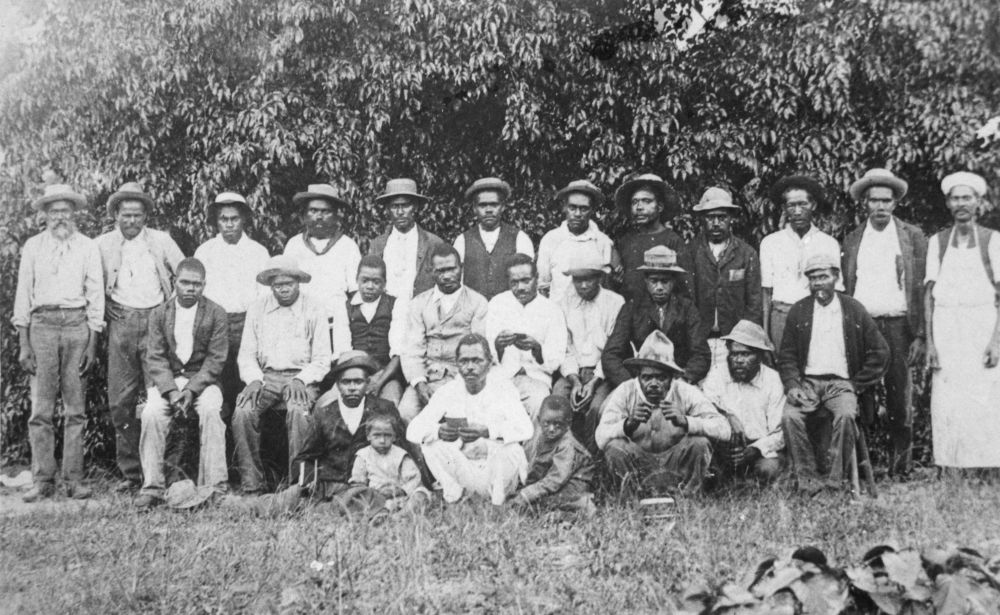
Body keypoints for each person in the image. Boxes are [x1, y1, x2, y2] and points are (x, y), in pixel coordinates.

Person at [14, 184, 104, 502]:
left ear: (74, 214)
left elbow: (96, 297)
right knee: (41, 408)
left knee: (75, 408)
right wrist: (24, 343)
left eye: (65, 211)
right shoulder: (33, 247)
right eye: (54, 212)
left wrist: (93, 342)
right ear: (45, 215)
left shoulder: (87, 247)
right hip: (42, 326)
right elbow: (23, 297)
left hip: (77, 326)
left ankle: (74, 478)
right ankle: (43, 479)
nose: (60, 217)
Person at [97, 181, 185, 492]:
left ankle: (164, 472)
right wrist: (104, 304)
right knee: (121, 401)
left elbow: (186, 273)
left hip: (156, 321)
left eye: (137, 215)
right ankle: (132, 474)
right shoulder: (103, 244)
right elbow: (91, 282)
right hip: (121, 321)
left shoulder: (161, 241)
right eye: (125, 215)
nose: (131, 221)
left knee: (159, 398)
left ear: (146, 216)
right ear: (115, 216)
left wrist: (170, 310)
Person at [779, 253, 889, 493]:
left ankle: (833, 481)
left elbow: (881, 351)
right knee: (790, 417)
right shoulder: (799, 311)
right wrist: (792, 385)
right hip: (808, 384)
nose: (818, 283)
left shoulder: (853, 308)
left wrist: (857, 384)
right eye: (813, 278)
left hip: (841, 384)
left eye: (824, 277)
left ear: (836, 278)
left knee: (847, 415)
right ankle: (809, 481)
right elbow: (786, 354)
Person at [841, 169, 926, 477]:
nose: (880, 207)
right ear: (865, 203)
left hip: (898, 326)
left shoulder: (911, 237)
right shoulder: (853, 239)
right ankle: (864, 464)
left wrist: (921, 335)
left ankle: (901, 464)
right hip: (863, 326)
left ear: (895, 203)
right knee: (862, 392)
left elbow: (922, 289)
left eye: (886, 201)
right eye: (874, 200)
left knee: (899, 395)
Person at [232, 255, 332, 493]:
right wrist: (254, 380)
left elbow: (322, 359)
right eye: (278, 284)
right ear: (270, 285)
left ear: (298, 282)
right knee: (243, 412)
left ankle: (299, 485)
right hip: (266, 376)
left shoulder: (314, 307)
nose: (284, 289)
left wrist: (301, 379)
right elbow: (246, 354)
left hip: (302, 376)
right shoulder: (257, 309)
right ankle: (252, 482)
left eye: (289, 283)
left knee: (299, 412)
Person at [135, 258, 229, 508]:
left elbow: (216, 359)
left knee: (210, 410)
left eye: (196, 284)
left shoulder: (216, 313)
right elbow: (154, 356)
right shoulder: (159, 313)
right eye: (185, 282)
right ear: (175, 282)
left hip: (202, 380)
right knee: (152, 413)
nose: (190, 289)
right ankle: (153, 487)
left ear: (204, 285)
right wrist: (171, 391)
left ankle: (215, 486)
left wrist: (191, 389)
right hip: (169, 381)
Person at [925, 172, 1000, 469]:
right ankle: (951, 464)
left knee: (986, 394)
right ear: (947, 203)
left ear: (978, 202)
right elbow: (928, 295)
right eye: (955, 198)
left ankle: (989, 464)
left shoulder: (993, 241)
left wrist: (996, 341)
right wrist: (930, 343)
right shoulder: (937, 242)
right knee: (948, 395)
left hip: (982, 325)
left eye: (967, 197)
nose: (961, 203)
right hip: (946, 328)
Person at [596, 330, 731, 496]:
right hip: (638, 467)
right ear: (638, 375)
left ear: (672, 377)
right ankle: (631, 500)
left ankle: (687, 498)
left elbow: (724, 429)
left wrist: (687, 422)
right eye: (647, 377)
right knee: (614, 447)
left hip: (676, 466)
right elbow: (600, 436)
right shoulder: (626, 391)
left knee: (700, 444)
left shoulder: (685, 391)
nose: (653, 384)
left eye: (660, 377)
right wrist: (627, 424)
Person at [407, 334, 534, 506]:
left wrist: (488, 431)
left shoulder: (504, 389)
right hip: (464, 468)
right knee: (431, 444)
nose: (470, 367)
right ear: (457, 364)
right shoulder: (448, 391)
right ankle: (456, 498)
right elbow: (413, 430)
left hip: (497, 472)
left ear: (489, 363)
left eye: (477, 361)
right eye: (464, 361)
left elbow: (526, 429)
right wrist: (438, 430)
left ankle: (498, 504)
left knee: (511, 449)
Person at [193, 191, 270, 421]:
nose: (229, 224)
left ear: (243, 219)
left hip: (247, 325)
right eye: (223, 219)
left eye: (234, 218)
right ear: (216, 221)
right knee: (216, 389)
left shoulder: (258, 252)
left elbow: (264, 297)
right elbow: (199, 296)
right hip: (215, 326)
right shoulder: (205, 252)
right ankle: (222, 450)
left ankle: (242, 447)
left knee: (246, 385)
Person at [293, 351, 412, 498]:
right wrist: (308, 486)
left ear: (367, 383)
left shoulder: (384, 409)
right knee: (279, 503)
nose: (352, 387)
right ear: (337, 385)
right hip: (331, 489)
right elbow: (307, 456)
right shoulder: (324, 414)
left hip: (372, 488)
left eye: (358, 382)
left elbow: (401, 450)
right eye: (346, 382)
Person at [398, 243, 488, 422]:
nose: (446, 276)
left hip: (462, 377)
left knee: (460, 417)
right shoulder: (418, 304)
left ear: (461, 269)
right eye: (440, 271)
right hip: (428, 376)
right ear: (431, 272)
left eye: (451, 269)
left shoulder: (478, 302)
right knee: (406, 412)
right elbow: (412, 349)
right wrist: (419, 383)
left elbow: (479, 351)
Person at [603, 246, 711, 386]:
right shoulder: (632, 308)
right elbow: (611, 354)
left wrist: (685, 379)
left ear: (673, 282)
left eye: (665, 281)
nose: (659, 287)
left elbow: (701, 354)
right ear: (646, 281)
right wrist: (630, 384)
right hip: (641, 380)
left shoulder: (686, 308)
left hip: (678, 379)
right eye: (654, 281)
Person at [681, 187, 762, 371]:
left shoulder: (746, 253)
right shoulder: (690, 252)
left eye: (722, 217)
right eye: (710, 218)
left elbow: (754, 303)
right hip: (699, 339)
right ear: (702, 219)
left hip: (734, 340)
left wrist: (743, 340)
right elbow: (685, 300)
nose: (716, 223)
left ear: (731, 218)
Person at [551, 251, 625, 452]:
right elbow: (565, 348)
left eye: (588, 279)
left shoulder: (615, 303)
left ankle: (593, 458)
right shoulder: (564, 304)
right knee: (558, 401)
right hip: (573, 371)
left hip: (603, 371)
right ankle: (563, 454)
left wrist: (593, 382)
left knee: (597, 407)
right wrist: (575, 381)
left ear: (600, 278)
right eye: (578, 280)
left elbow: (613, 348)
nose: (583, 286)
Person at [760, 174, 841, 349]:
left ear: (813, 205)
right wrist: (766, 334)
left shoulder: (828, 243)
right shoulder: (770, 243)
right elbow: (766, 293)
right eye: (791, 205)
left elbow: (837, 291)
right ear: (784, 208)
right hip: (781, 316)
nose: (797, 211)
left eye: (803, 204)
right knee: (783, 369)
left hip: (817, 314)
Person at [701, 320, 786, 485]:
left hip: (758, 449)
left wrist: (754, 449)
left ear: (759, 356)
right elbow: (705, 405)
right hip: (723, 446)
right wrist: (727, 416)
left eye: (746, 354)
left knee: (767, 469)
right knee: (710, 473)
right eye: (734, 354)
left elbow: (779, 433)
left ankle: (745, 482)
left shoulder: (773, 380)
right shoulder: (718, 373)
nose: (738, 360)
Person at [486, 253, 568, 419]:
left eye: (526, 280)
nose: (521, 287)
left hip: (536, 378)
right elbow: (486, 351)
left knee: (540, 406)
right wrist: (498, 346)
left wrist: (537, 349)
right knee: (488, 406)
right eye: (514, 282)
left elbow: (556, 359)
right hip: (501, 376)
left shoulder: (552, 310)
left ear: (536, 278)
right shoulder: (497, 304)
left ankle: (533, 446)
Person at [282, 183, 361, 331]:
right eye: (313, 211)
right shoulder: (294, 245)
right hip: (299, 325)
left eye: (325, 211)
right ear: (304, 215)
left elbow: (356, 293)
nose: (319, 217)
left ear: (336, 216)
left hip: (336, 326)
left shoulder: (348, 246)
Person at [509, 396, 595, 514]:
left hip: (575, 480)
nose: (551, 429)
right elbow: (538, 465)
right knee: (524, 498)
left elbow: (556, 479)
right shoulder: (540, 436)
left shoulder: (567, 445)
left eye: (558, 424)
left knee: (547, 502)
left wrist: (527, 494)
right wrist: (526, 489)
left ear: (568, 424)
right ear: (539, 420)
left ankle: (583, 504)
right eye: (546, 423)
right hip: (556, 475)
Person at [454, 177, 534, 300]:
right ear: (474, 208)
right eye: (482, 205)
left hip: (509, 311)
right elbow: (456, 283)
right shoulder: (462, 241)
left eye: (494, 204)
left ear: (503, 206)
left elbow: (528, 282)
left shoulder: (519, 238)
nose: (489, 210)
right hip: (474, 314)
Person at [536, 179, 617, 302]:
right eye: (572, 208)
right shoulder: (551, 240)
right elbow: (543, 285)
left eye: (584, 209)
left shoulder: (603, 242)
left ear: (592, 210)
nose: (577, 214)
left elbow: (608, 287)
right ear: (564, 207)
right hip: (559, 315)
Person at [368, 178, 445, 303]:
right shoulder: (378, 245)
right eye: (394, 206)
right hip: (387, 315)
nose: (400, 212)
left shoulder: (433, 243)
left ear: (415, 207)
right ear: (387, 209)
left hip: (421, 313)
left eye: (405, 205)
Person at [613, 173, 685, 303]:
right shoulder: (625, 241)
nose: (639, 207)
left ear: (660, 207)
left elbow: (684, 290)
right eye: (634, 202)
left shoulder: (673, 241)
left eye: (647, 201)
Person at [345, 255, 407, 405]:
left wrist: (379, 381)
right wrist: (358, 378)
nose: (370, 286)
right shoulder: (346, 306)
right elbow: (343, 353)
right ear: (356, 280)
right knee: (327, 405)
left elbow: (398, 353)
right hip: (353, 373)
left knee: (389, 405)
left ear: (384, 283)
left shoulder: (395, 305)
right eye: (365, 280)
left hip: (387, 374)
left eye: (376, 282)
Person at [343, 414, 428, 514]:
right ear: (368, 436)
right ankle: (380, 513)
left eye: (387, 435)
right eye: (377, 435)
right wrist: (370, 492)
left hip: (400, 496)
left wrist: (400, 490)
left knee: (421, 494)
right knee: (356, 499)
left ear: (394, 437)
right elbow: (358, 481)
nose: (382, 441)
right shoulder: (363, 455)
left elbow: (414, 479)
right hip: (375, 497)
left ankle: (400, 516)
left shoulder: (401, 455)